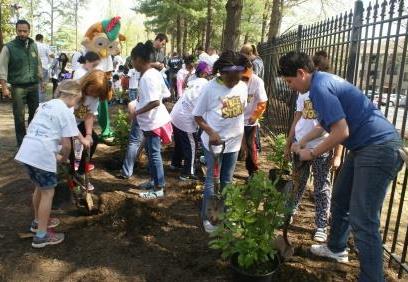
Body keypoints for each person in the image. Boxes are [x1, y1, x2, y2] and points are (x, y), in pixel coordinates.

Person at [278, 51, 402, 282]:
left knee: (363, 219)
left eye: (290, 81)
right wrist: (301, 142)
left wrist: (312, 153)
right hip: (364, 147)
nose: (291, 87)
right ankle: (336, 248)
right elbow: (326, 126)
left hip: (378, 148)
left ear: (301, 73)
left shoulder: (320, 88)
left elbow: (341, 132)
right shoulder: (319, 85)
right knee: (340, 198)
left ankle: (373, 278)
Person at [14, 80, 90, 248]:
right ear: (73, 96)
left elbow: (68, 127)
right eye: (78, 100)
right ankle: (41, 236)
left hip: (28, 151)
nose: (77, 103)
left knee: (39, 188)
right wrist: (62, 159)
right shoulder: (66, 112)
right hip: (42, 154)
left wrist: (83, 139)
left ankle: (37, 222)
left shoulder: (44, 105)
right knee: (48, 193)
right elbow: (67, 145)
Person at [284, 51, 341, 243]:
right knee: (297, 181)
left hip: (321, 147)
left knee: (321, 187)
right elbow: (297, 119)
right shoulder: (302, 93)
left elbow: (336, 127)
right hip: (301, 146)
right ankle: (290, 211)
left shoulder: (326, 91)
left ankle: (321, 225)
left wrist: (337, 154)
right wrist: (290, 141)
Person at [193, 50, 248, 233]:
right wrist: (211, 131)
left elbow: (240, 116)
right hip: (214, 145)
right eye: (229, 79)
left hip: (233, 143)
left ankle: (225, 215)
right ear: (221, 73)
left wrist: (243, 141)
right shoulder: (210, 88)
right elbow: (198, 116)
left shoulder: (242, 86)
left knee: (227, 181)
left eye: (236, 78)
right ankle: (211, 218)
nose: (233, 83)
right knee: (211, 181)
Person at [131, 40, 172, 199]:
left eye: (133, 59)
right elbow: (166, 94)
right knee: (150, 152)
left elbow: (156, 101)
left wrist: (137, 111)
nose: (132, 63)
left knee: (154, 154)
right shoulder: (154, 73)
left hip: (154, 122)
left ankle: (158, 187)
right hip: (152, 121)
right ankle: (154, 180)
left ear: (139, 60)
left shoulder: (148, 77)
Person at [0, 19, 42, 147]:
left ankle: (31, 141)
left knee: (35, 114)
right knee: (19, 117)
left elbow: (38, 64)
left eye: (25, 31)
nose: (22, 33)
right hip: (18, 87)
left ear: (29, 31)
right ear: (16, 31)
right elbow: (2, 68)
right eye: (20, 31)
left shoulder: (34, 45)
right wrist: (4, 87)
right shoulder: (9, 47)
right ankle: (21, 144)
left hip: (34, 85)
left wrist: (41, 80)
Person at [170, 62, 212, 180]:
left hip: (176, 114)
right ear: (204, 73)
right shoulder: (206, 85)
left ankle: (175, 164)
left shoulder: (194, 81)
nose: (210, 76)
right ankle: (187, 172)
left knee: (179, 142)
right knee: (191, 145)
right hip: (185, 118)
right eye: (209, 74)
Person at [71, 70, 109, 189]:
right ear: (87, 83)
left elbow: (89, 115)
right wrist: (81, 138)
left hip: (78, 122)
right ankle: (71, 171)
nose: (93, 95)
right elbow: (66, 119)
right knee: (71, 145)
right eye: (92, 91)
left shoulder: (95, 96)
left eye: (96, 94)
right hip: (63, 123)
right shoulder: (73, 90)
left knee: (94, 139)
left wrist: (88, 135)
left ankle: (80, 172)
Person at [240, 55, 267, 177]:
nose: (244, 79)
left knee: (250, 146)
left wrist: (255, 116)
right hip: (234, 119)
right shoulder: (234, 78)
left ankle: (253, 172)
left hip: (249, 121)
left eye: (246, 77)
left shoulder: (257, 81)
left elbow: (262, 102)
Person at [35, 34, 54, 102]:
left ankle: (36, 102)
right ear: (42, 39)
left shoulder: (33, 45)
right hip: (44, 67)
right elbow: (51, 55)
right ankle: (41, 103)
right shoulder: (44, 45)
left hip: (34, 67)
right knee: (43, 86)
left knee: (36, 86)